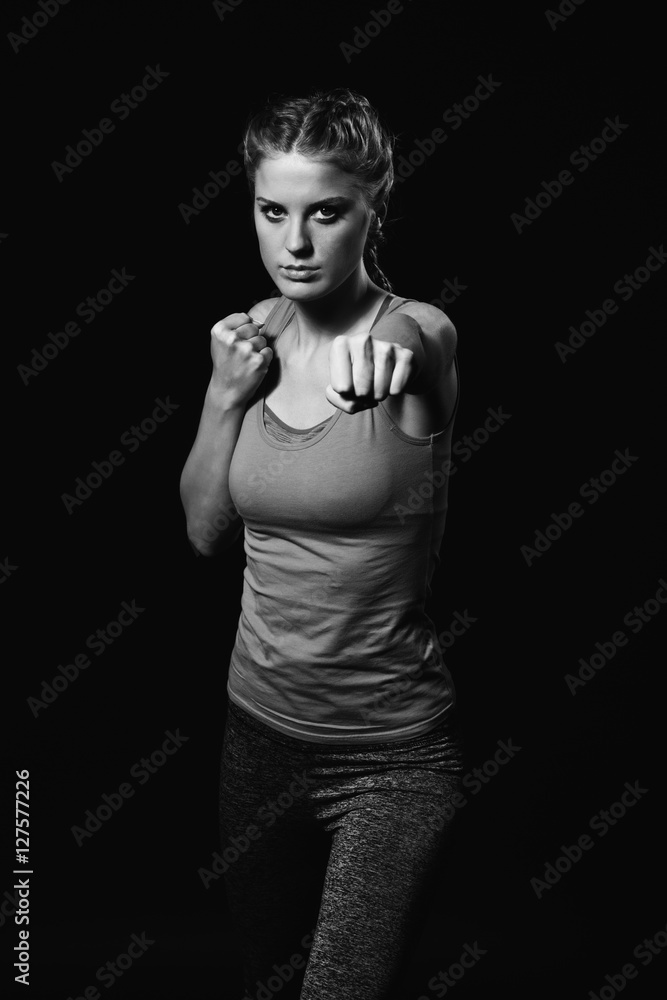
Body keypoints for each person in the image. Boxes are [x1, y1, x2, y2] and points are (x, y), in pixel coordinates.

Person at [180, 87, 465, 1000]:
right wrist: (224, 395)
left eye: (325, 213)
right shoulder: (252, 336)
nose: (294, 243)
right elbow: (204, 532)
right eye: (273, 212)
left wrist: (394, 360)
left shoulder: (416, 335)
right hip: (255, 735)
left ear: (373, 207)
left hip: (390, 759)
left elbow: (420, 348)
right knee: (269, 981)